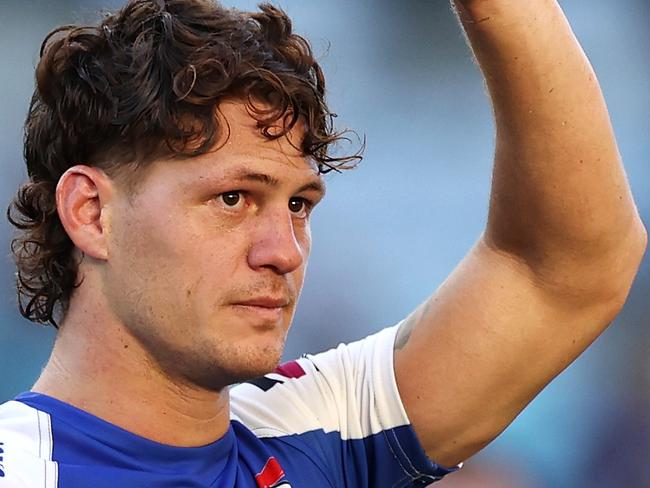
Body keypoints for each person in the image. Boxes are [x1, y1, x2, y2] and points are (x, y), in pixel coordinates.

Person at [0, 0, 645, 486]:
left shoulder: (317, 426)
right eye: (233, 199)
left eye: (299, 205)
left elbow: (566, 269)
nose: (284, 251)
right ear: (91, 213)